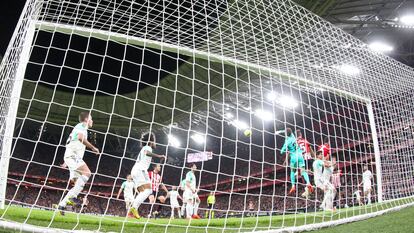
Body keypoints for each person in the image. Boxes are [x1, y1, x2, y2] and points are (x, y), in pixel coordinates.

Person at [55, 112, 99, 215]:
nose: (92, 121)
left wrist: (66, 161)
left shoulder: (79, 127)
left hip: (72, 157)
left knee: (76, 183)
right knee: (87, 173)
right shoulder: (82, 126)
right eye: (91, 119)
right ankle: (72, 197)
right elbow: (80, 137)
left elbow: (71, 143)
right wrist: (93, 148)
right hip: (72, 156)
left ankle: (62, 204)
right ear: (86, 120)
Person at [129, 132, 166, 219]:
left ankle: (131, 212)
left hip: (135, 170)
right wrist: (159, 156)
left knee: (143, 191)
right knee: (148, 190)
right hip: (140, 171)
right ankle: (134, 208)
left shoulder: (145, 148)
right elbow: (147, 152)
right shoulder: (147, 147)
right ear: (151, 141)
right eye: (154, 141)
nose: (155, 143)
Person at [281, 128, 313, 196]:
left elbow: (287, 152)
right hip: (306, 157)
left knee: (295, 171)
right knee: (305, 172)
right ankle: (308, 184)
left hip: (297, 157)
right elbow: (310, 148)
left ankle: (296, 185)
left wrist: (285, 161)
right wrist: (315, 156)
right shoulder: (304, 140)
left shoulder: (293, 140)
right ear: (301, 134)